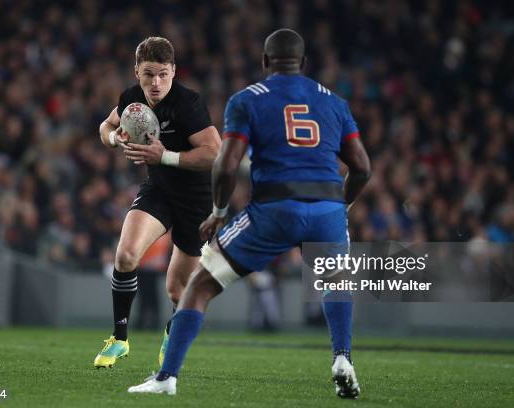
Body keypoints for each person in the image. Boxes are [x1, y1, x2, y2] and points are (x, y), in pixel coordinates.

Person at [127, 29, 371, 398]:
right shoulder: (335, 101)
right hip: (327, 208)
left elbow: (226, 165)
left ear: (265, 62)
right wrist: (342, 207)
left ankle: (165, 379)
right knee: (335, 281)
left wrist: (220, 211)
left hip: (275, 207)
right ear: (303, 64)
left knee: (200, 285)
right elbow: (362, 168)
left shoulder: (247, 100)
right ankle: (342, 358)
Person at [94, 37, 221, 368]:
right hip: (160, 190)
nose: (156, 83)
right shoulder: (132, 99)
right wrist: (113, 137)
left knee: (178, 291)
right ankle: (119, 339)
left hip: (196, 200)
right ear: (137, 71)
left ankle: (171, 333)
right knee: (124, 255)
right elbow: (107, 125)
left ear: (174, 72)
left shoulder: (188, 103)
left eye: (163, 74)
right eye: (149, 74)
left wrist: (166, 156)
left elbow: (215, 152)